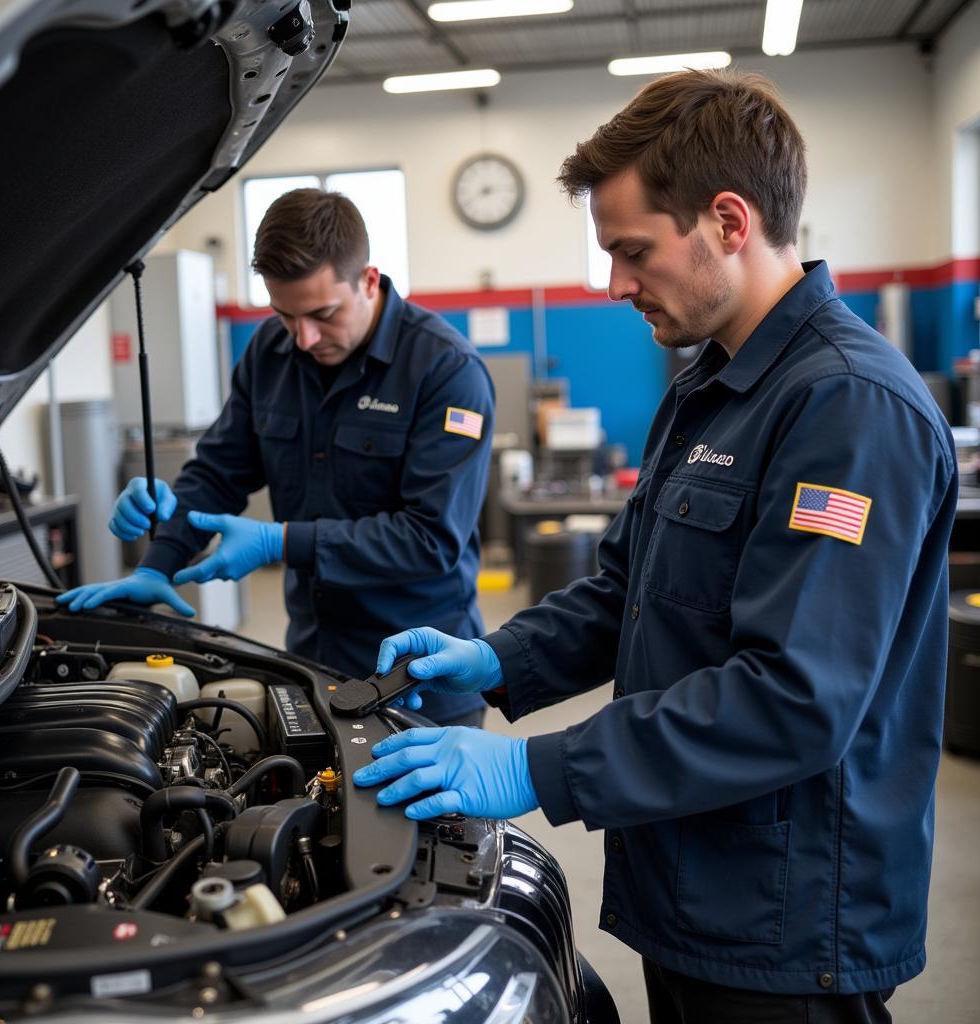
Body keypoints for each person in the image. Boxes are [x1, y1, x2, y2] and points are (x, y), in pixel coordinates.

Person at [351, 70, 957, 1023]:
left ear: (728, 219)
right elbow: (625, 591)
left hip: (789, 921)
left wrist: (532, 770)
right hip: (693, 884)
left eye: (631, 250)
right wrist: (496, 659)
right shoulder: (706, 388)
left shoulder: (847, 408)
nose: (615, 284)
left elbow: (794, 700)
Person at [58, 189, 494, 727]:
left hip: (418, 677)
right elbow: (218, 472)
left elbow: (432, 540)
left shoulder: (446, 370)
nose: (304, 337)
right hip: (312, 660)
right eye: (286, 315)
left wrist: (279, 541)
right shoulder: (270, 352)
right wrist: (160, 560)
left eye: (322, 314)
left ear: (369, 280)